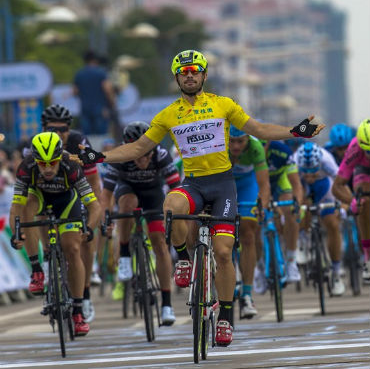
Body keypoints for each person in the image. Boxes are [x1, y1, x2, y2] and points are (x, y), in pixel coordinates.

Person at [74, 50, 324, 347]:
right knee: (171, 206)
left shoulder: (223, 105)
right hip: (194, 183)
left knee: (222, 252)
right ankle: (183, 258)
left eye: (195, 71)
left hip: (223, 185)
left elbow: (258, 129)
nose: (189, 75)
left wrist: (296, 131)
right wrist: (99, 156)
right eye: (184, 72)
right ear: (177, 77)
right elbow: (138, 148)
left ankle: (227, 318)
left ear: (204, 75)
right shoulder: (169, 114)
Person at [9, 132, 101, 336]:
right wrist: (17, 232)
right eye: (42, 164)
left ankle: (78, 311)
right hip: (39, 199)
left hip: (66, 202)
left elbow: (94, 206)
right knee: (26, 208)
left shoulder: (72, 168)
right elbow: (15, 207)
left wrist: (89, 228)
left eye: (52, 163)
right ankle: (37, 271)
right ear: (35, 160)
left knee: (73, 248)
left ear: (60, 158)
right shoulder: (26, 168)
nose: (48, 169)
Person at [100, 121, 181, 325]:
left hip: (153, 195)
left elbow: (176, 189)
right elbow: (107, 195)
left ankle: (167, 305)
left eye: (146, 154)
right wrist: (106, 218)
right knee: (128, 203)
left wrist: (174, 215)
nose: (142, 160)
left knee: (160, 244)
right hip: (128, 191)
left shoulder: (161, 155)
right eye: (137, 155)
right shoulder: (119, 157)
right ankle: (125, 253)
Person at [36, 104, 102, 323]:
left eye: (63, 129)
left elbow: (93, 181)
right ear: (43, 129)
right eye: (52, 129)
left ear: (69, 129)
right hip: (48, 190)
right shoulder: (35, 145)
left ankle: (85, 294)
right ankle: (48, 255)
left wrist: (96, 209)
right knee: (40, 210)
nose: (58, 134)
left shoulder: (79, 143)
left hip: (77, 190)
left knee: (83, 239)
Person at [228, 126, 270, 319]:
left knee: (248, 235)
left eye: (240, 141)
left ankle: (246, 295)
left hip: (246, 186)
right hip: (225, 185)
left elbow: (263, 185)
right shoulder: (218, 145)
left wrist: (262, 206)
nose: (236, 146)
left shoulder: (255, 147)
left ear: (247, 139)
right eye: (232, 141)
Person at [294, 142, 345, 295]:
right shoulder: (294, 160)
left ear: (319, 165)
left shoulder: (327, 160)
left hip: (324, 186)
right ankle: (303, 240)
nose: (309, 176)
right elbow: (290, 188)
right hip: (302, 187)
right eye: (306, 172)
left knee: (333, 225)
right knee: (302, 204)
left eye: (313, 172)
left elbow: (340, 184)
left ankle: (336, 273)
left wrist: (341, 206)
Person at [260, 140, 304, 285]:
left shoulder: (282, 151)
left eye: (263, 146)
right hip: (258, 183)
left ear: (268, 144)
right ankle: (259, 265)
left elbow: (296, 184)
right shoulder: (247, 153)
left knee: (290, 211)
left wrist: (297, 204)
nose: (261, 149)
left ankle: (291, 260)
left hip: (280, 181)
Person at [332, 119, 370, 284]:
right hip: (364, 171)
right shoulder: (355, 148)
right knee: (363, 201)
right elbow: (337, 187)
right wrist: (353, 201)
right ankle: (368, 257)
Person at [73, 50, 117, 136]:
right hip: (100, 109)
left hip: (85, 109)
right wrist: (112, 103)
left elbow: (75, 91)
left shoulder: (79, 74)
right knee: (101, 136)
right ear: (95, 60)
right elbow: (107, 89)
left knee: (87, 136)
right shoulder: (101, 73)